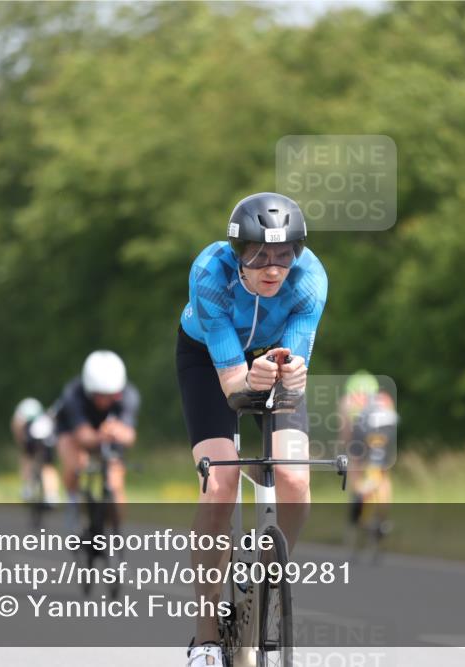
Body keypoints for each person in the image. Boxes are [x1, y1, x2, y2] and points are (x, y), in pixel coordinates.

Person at [178, 192, 327, 666]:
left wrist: (290, 375)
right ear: (236, 252)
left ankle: (266, 583)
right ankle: (205, 640)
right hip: (209, 359)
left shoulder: (310, 281)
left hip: (272, 355)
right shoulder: (210, 275)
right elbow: (232, 387)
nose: (272, 267)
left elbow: (294, 368)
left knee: (295, 478)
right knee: (220, 484)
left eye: (284, 255)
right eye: (258, 254)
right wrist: (250, 378)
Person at [55, 351, 139, 531]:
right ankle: (73, 500)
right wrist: (101, 435)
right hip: (73, 432)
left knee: (115, 481)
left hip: (107, 435)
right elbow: (83, 436)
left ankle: (115, 524)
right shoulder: (73, 394)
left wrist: (118, 432)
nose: (105, 401)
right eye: (99, 396)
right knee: (75, 465)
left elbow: (129, 436)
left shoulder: (129, 394)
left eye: (111, 396)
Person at [340, 374, 397, 561]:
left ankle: (359, 500)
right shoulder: (384, 398)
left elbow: (347, 431)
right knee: (382, 473)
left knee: (356, 467)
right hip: (385, 425)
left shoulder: (348, 400)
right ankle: (383, 517)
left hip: (363, 429)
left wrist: (350, 450)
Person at [12, 397, 60, 505]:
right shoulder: (45, 417)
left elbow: (18, 429)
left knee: (27, 458)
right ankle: (51, 495)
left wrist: (21, 442)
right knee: (48, 466)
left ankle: (28, 487)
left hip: (31, 439)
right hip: (48, 440)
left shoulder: (21, 417)